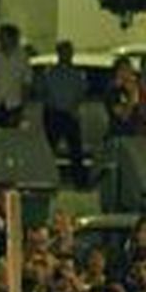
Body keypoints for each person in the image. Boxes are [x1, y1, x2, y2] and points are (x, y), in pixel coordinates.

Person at [42, 40, 89, 184]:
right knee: (49, 149)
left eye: (69, 52)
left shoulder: (77, 74)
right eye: (64, 52)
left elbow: (81, 92)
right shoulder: (51, 73)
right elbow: (48, 92)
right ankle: (47, 177)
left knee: (76, 150)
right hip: (54, 114)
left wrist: (72, 106)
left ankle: (80, 181)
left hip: (70, 114)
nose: (67, 55)